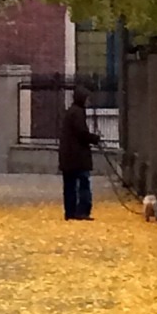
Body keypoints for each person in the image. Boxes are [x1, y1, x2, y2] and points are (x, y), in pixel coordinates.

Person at [58, 87, 100, 221]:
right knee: (83, 184)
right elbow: (81, 133)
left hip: (68, 157)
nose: (89, 102)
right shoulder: (78, 113)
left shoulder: (71, 112)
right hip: (78, 157)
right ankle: (82, 211)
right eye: (87, 99)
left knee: (69, 186)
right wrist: (94, 138)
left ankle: (70, 212)